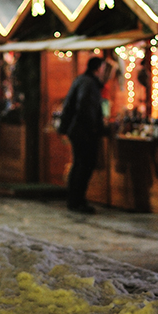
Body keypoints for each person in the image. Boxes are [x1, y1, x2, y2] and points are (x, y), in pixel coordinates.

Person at [59, 56, 109, 214]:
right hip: (84, 131)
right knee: (84, 164)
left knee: (79, 164)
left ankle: (74, 199)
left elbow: (70, 105)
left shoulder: (82, 80)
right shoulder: (89, 84)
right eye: (102, 68)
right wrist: (95, 128)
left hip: (77, 129)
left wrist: (65, 127)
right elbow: (85, 108)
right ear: (98, 68)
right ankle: (77, 200)